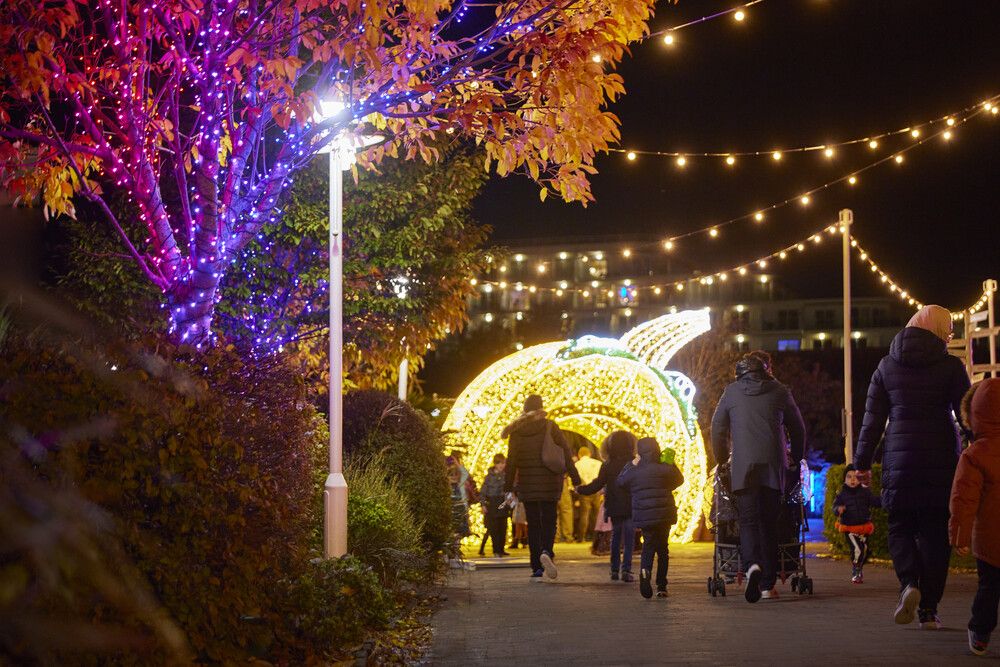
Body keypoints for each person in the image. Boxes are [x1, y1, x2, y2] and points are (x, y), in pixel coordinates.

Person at [855, 305, 971, 629]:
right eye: (948, 329)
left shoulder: (886, 367)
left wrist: (861, 463)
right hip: (940, 461)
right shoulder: (950, 366)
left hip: (899, 460)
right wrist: (979, 445)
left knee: (899, 527)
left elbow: (872, 421)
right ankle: (929, 611)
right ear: (939, 330)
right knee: (936, 534)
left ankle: (909, 583)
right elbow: (966, 415)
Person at [711, 351, 806, 603]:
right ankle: (767, 586)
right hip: (774, 467)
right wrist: (795, 457)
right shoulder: (780, 391)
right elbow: (797, 427)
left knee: (749, 521)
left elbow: (717, 426)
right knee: (769, 524)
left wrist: (721, 459)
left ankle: (752, 566)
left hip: (743, 467)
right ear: (766, 368)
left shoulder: (731, 392)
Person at [503, 394, 580, 582]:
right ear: (540, 408)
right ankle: (547, 550)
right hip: (550, 482)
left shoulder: (517, 431)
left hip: (528, 485)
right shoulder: (550, 426)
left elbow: (511, 461)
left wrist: (508, 487)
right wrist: (576, 479)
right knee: (549, 520)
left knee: (534, 524)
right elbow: (565, 453)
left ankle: (536, 567)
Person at [950, 379, 1000, 656]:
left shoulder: (975, 455)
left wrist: (959, 535)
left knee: (988, 588)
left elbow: (964, 498)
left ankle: (980, 633)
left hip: (989, 539)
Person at [617, 437, 683, 599]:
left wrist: (631, 464)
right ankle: (662, 585)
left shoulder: (635, 471)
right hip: (664, 515)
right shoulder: (664, 467)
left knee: (648, 546)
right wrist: (670, 463)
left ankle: (645, 574)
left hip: (645, 514)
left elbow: (620, 481)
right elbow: (679, 480)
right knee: (663, 550)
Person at [576, 430, 638, 582]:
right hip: (631, 506)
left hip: (614, 506)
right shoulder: (633, 464)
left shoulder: (608, 465)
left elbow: (597, 484)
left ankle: (614, 569)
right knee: (629, 538)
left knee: (616, 537)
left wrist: (581, 489)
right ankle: (626, 570)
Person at [834, 464, 882, 583]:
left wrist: (884, 498)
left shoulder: (865, 492)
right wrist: (838, 509)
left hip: (864, 527)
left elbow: (875, 502)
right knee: (857, 549)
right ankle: (856, 569)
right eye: (849, 477)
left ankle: (859, 567)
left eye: (855, 477)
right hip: (849, 527)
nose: (852, 479)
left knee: (864, 550)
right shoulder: (842, 494)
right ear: (844, 480)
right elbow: (835, 506)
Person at [479, 453, 510, 558]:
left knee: (503, 526)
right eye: (499, 463)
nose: (501, 465)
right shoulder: (489, 477)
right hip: (492, 502)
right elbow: (483, 492)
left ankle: (501, 549)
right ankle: (496, 550)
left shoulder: (506, 475)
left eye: (503, 463)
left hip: (503, 502)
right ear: (495, 464)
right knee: (494, 528)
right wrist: (483, 504)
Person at [574, 445, 603, 542]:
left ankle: (581, 537)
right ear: (589, 454)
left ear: (579, 455)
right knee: (597, 514)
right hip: (597, 490)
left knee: (584, 514)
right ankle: (596, 537)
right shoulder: (598, 463)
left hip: (584, 490)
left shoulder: (577, 465)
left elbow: (576, 480)